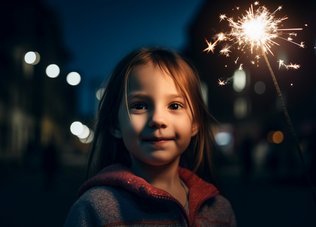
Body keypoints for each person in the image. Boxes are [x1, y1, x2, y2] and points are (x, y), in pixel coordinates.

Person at [64, 48, 237, 227]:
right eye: (139, 105)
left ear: (195, 123)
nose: (157, 120)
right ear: (115, 124)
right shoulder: (94, 209)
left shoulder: (221, 211)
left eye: (175, 106)